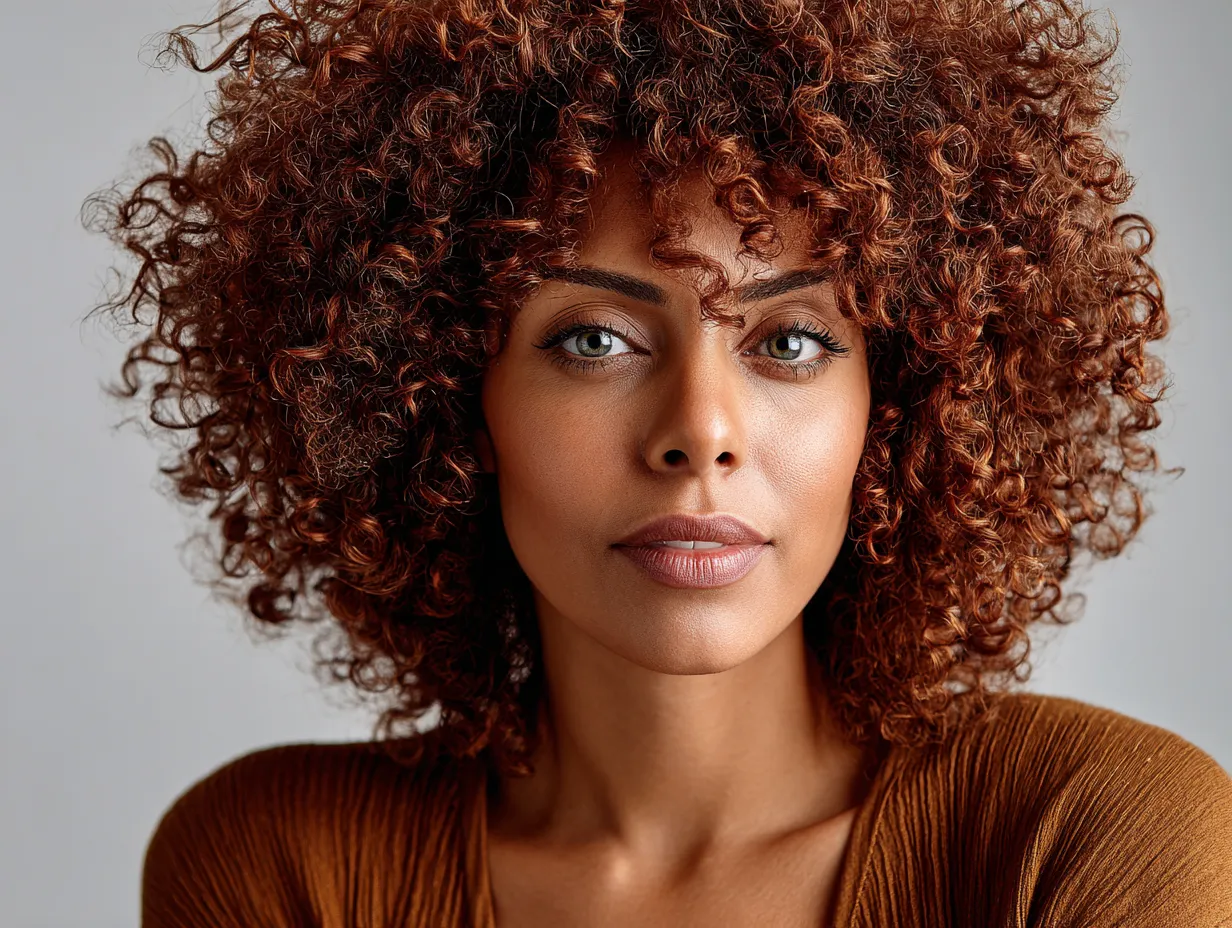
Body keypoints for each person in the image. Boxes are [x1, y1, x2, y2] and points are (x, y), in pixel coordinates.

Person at [86, 0, 1232, 925]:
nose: (701, 430)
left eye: (789, 341)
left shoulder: (1081, 833)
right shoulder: (283, 868)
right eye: (593, 340)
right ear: (434, 394)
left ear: (899, 403)